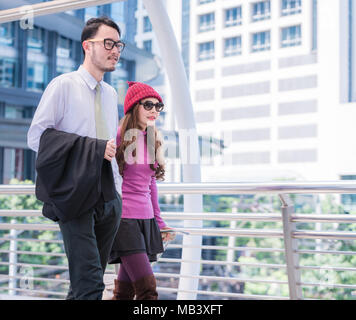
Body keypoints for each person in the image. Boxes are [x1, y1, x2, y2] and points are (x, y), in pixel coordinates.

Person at [27, 17, 124, 300]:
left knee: (84, 284)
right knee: (91, 286)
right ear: (87, 46)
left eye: (118, 44)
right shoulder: (63, 86)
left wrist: (117, 194)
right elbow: (37, 137)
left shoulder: (110, 94)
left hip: (109, 197)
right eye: (108, 43)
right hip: (76, 195)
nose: (115, 50)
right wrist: (91, 148)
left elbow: (111, 146)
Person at [109, 81, 175, 300]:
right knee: (148, 290)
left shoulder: (151, 139)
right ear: (133, 107)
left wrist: (159, 222)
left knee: (124, 293)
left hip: (145, 220)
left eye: (158, 106)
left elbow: (151, 186)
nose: (154, 110)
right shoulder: (118, 138)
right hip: (124, 221)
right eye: (148, 105)